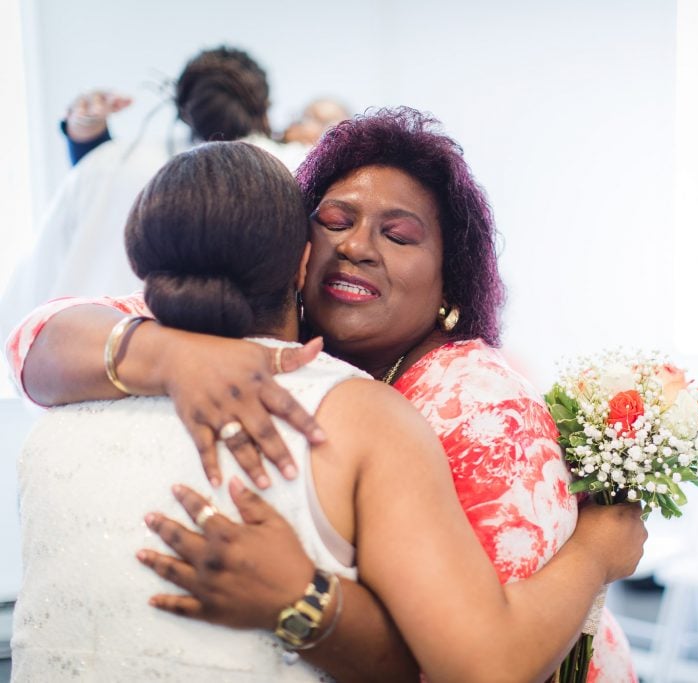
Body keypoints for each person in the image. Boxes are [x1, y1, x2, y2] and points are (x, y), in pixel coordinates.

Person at [6, 108, 639, 681]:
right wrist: (171, 356)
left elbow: (478, 657)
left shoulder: (479, 405)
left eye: (399, 235)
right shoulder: (228, 335)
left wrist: (595, 551)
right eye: (335, 222)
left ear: (452, 282)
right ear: (298, 255)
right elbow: (36, 341)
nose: (357, 247)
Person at [0, 46, 307, 345]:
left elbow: (34, 287)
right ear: (263, 105)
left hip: (90, 352)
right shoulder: (295, 164)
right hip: (256, 363)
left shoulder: (109, 161)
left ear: (183, 105)